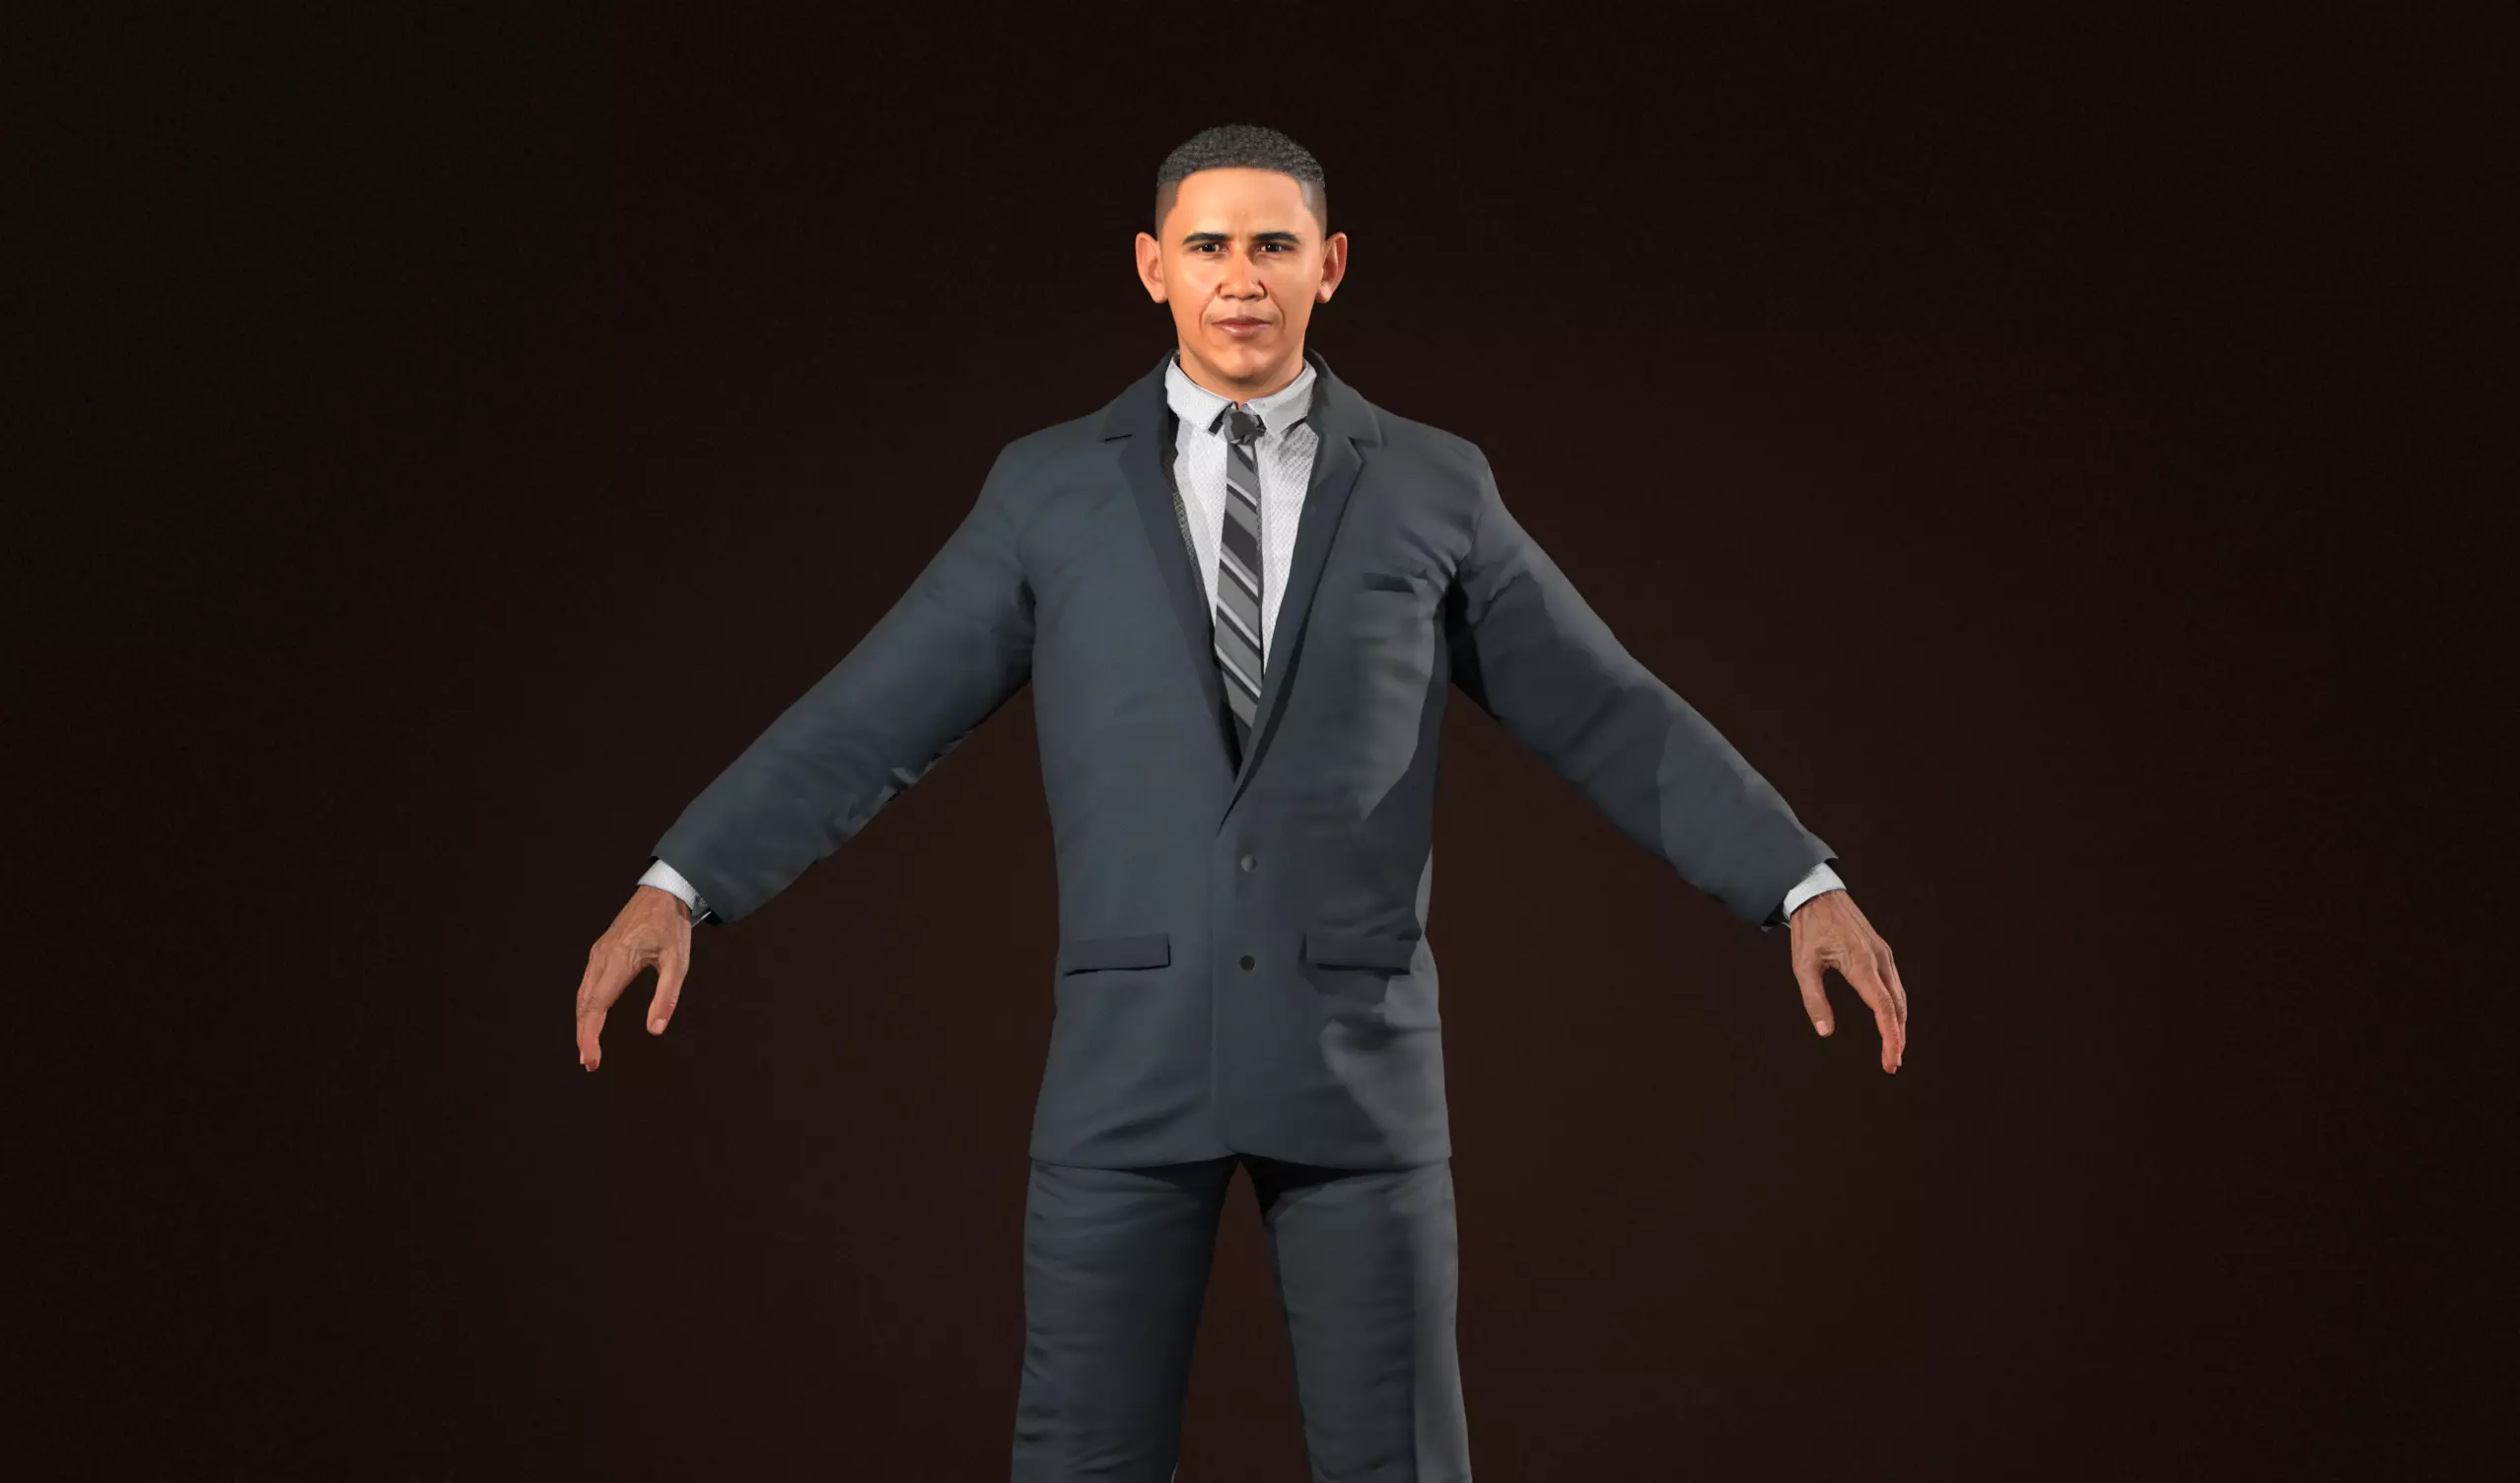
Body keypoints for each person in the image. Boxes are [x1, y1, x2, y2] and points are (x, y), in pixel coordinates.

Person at [573, 121, 1910, 1482]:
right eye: (1208, 244)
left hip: (1358, 1065)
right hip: (1125, 1061)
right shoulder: (1047, 489)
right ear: (1152, 266)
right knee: (1081, 1460)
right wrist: (685, 882)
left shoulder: (1435, 485)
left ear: (1331, 265)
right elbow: (874, 712)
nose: (1242, 277)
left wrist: (1797, 882)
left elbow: (1610, 709)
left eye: (1275, 244)